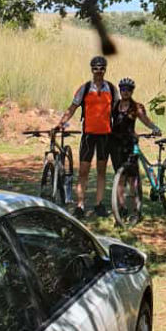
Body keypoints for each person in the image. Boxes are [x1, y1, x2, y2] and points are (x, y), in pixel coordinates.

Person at [56, 55, 118, 219]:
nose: (99, 71)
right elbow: (72, 108)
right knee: (83, 171)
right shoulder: (84, 88)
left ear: (105, 70)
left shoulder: (112, 89)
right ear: (92, 70)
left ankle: (98, 204)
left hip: (105, 135)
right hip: (88, 135)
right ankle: (80, 205)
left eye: (101, 68)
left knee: (101, 171)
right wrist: (61, 123)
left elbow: (118, 110)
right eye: (96, 68)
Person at [110, 77, 161, 174]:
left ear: (132, 91)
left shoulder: (136, 107)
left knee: (131, 175)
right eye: (123, 89)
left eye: (129, 89)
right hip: (116, 143)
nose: (126, 92)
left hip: (130, 142)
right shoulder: (115, 105)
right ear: (120, 90)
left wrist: (154, 128)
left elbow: (145, 120)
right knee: (119, 173)